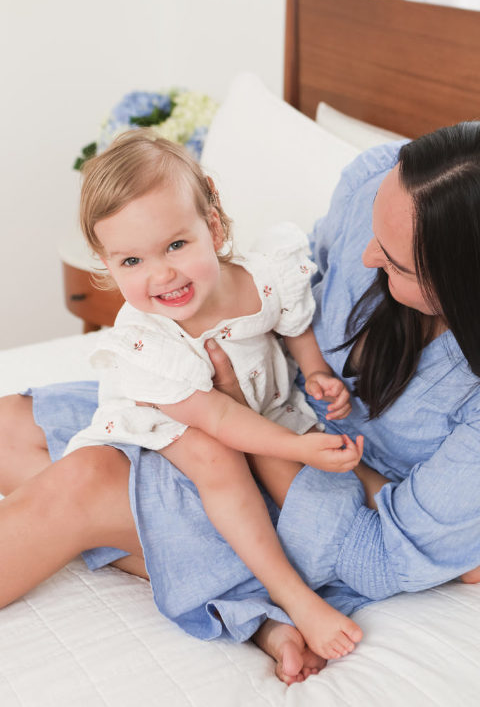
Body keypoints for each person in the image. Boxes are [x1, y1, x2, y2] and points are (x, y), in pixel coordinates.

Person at [1, 121, 480, 686]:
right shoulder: (381, 178)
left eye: (396, 263)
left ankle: (260, 590)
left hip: (309, 487)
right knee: (9, 423)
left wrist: (248, 431)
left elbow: (378, 557)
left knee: (82, 482)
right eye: (374, 228)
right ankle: (221, 589)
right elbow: (293, 303)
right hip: (262, 402)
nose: (367, 253)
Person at [60, 129, 364, 659]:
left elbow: (290, 322)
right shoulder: (147, 339)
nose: (162, 275)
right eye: (131, 262)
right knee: (217, 460)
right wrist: (292, 448)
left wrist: (315, 373)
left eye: (176, 245)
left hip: (259, 409)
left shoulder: (262, 276)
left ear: (213, 225)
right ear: (107, 263)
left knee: (343, 470)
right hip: (165, 412)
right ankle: (288, 595)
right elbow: (218, 417)